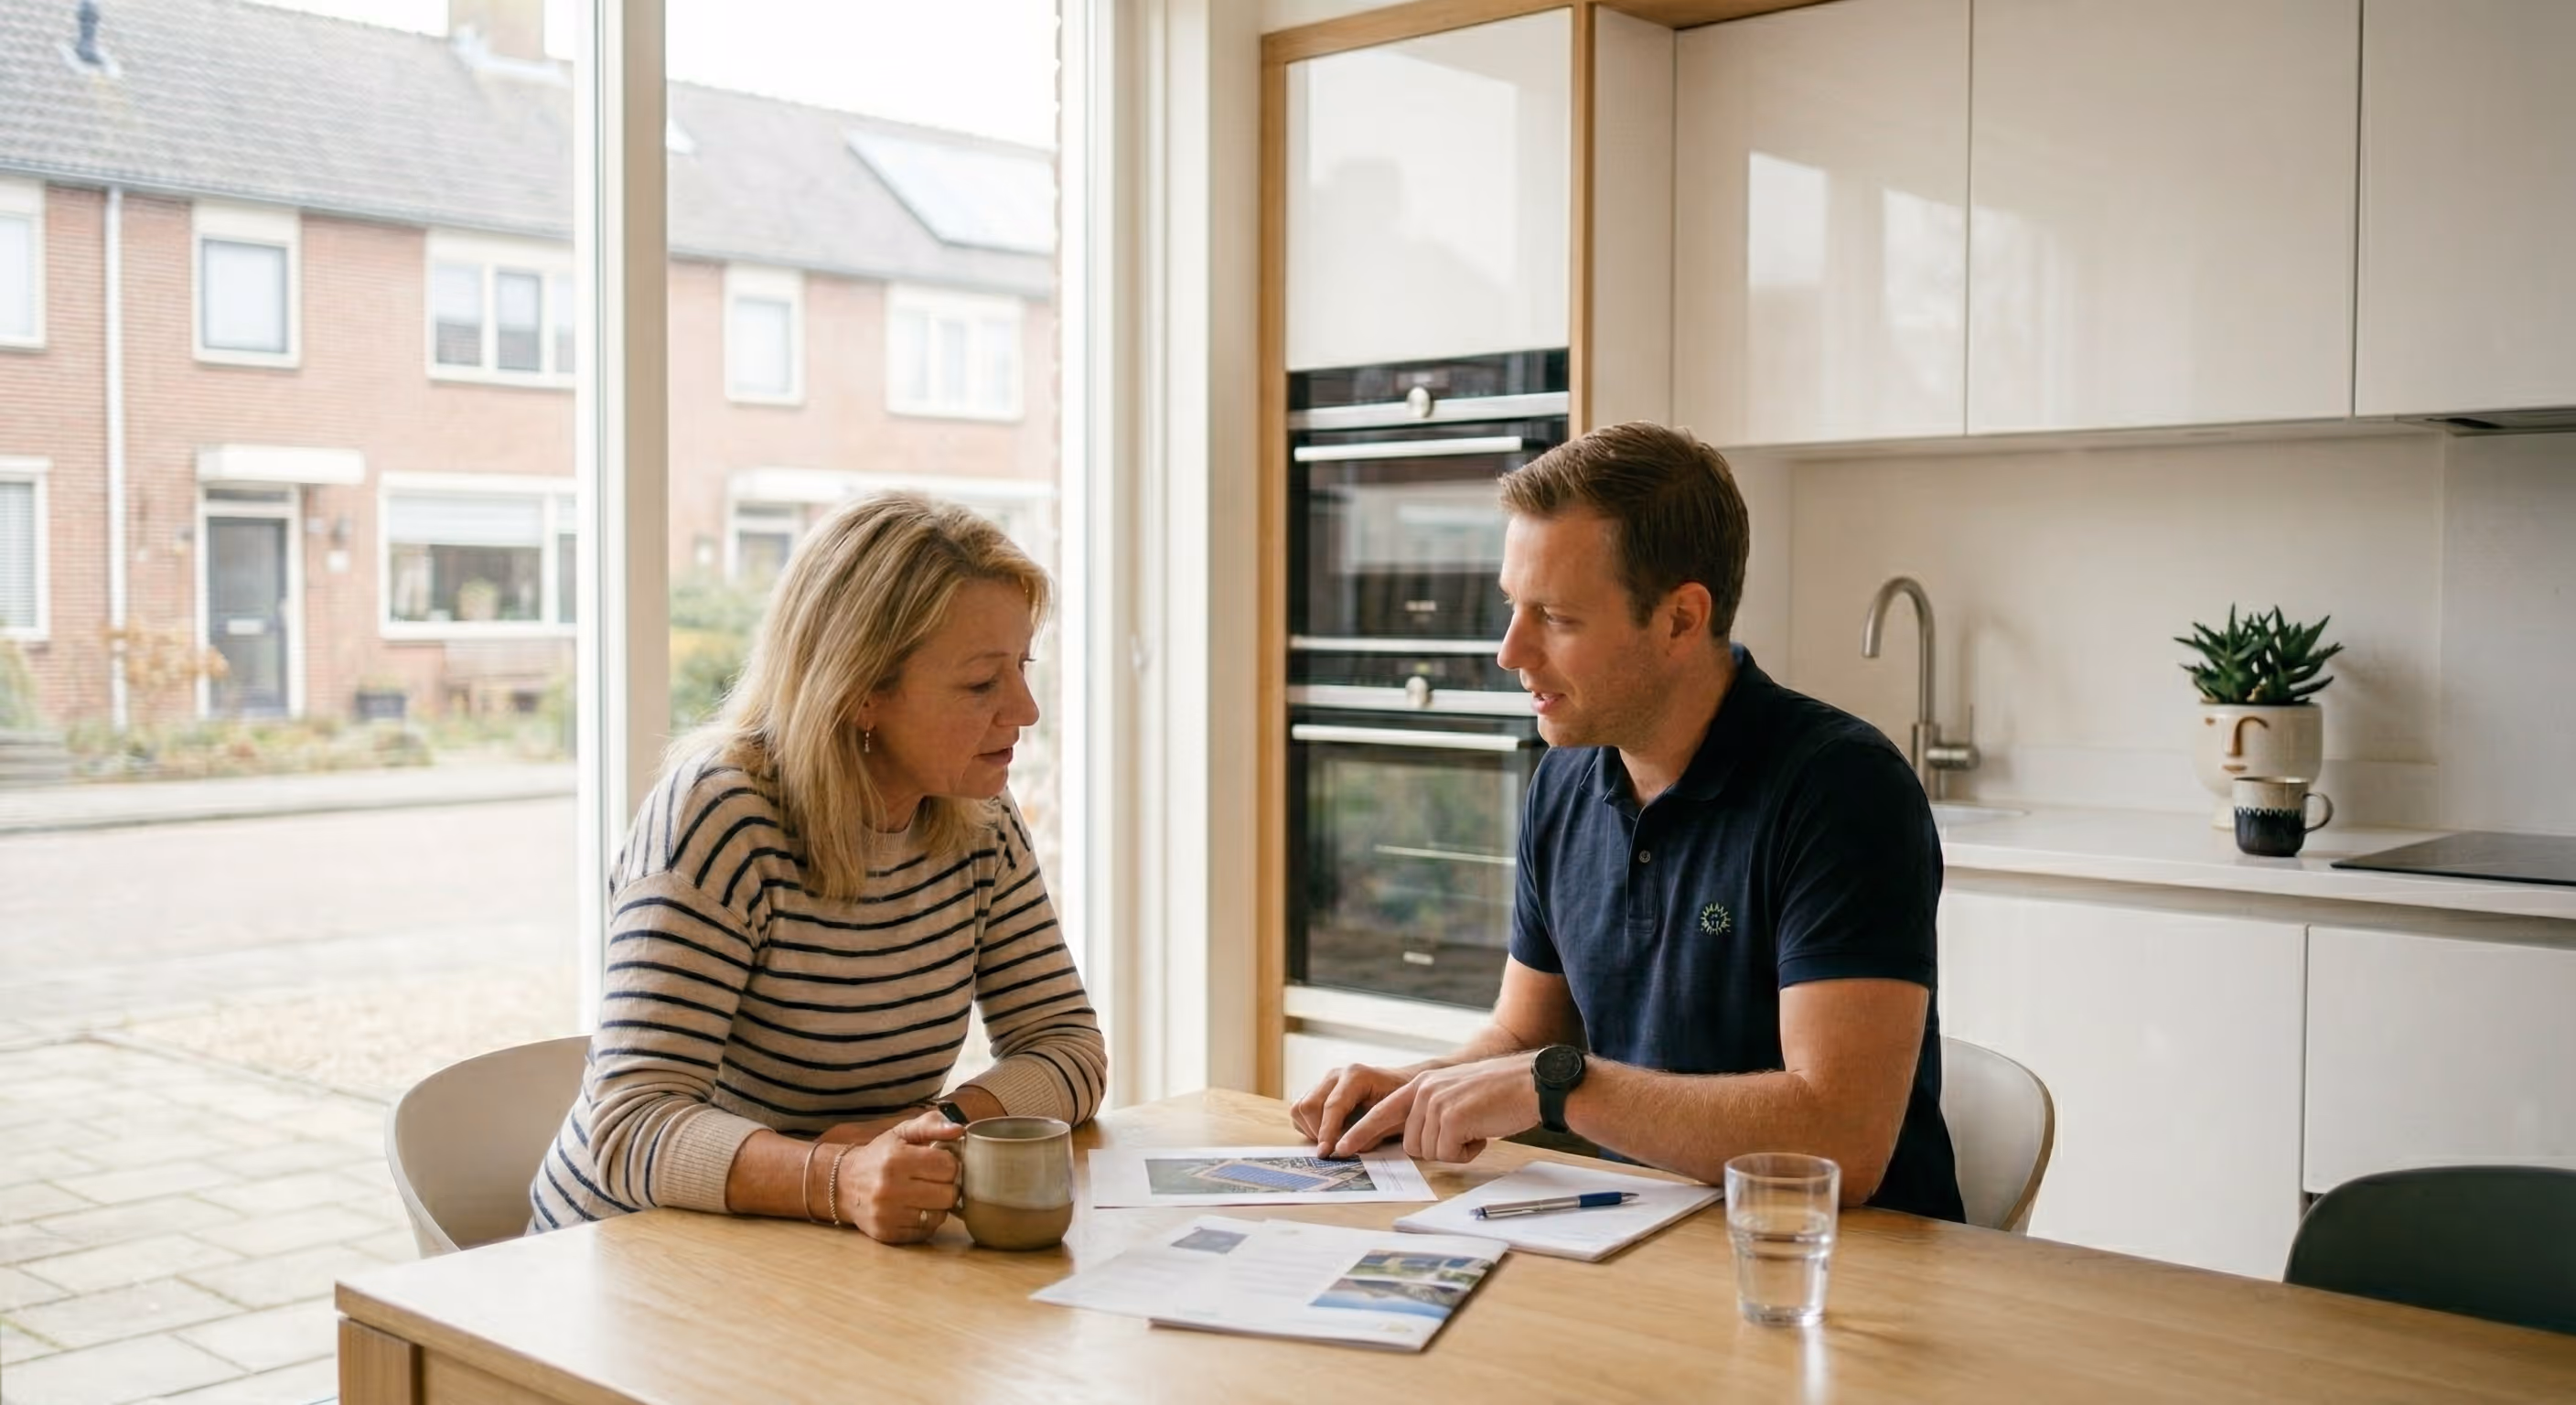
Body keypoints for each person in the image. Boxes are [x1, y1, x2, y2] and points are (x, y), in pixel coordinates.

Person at [1292, 423, 1962, 1220]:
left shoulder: (1841, 789)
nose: (1510, 651)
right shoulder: (1565, 780)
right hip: (1640, 1239)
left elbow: (1841, 1143)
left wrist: (1563, 1087)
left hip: (1841, 1274)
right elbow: (1522, 1037)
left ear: (1681, 618)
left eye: (1556, 617)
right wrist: (1426, 1088)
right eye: (1513, 607)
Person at [528, 493, 1105, 1242]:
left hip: (812, 1247)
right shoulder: (718, 819)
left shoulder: (980, 822)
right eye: (980, 683)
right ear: (862, 691)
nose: (1025, 710)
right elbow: (632, 1125)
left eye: (1022, 668)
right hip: (626, 1252)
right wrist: (837, 1178)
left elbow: (1068, 1047)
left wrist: (931, 1127)